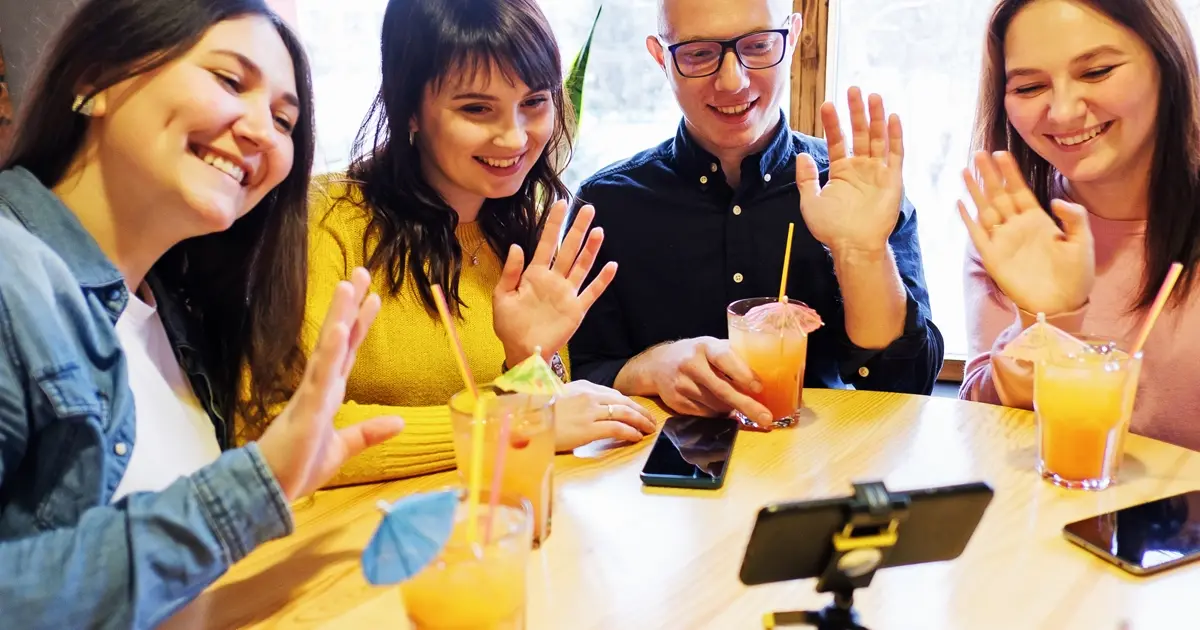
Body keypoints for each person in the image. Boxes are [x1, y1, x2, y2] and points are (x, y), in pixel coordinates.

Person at [0, 0, 403, 626]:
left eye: (283, 119)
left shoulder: (179, 309)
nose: (262, 132)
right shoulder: (11, 276)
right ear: (98, 77)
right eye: (228, 80)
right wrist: (251, 488)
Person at [295, 0, 656, 485]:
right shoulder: (326, 222)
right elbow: (283, 433)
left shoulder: (523, 233)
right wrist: (515, 424)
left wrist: (525, 360)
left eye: (534, 103)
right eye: (476, 108)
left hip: (495, 524)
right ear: (410, 109)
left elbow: (536, 413)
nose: (513, 138)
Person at [568, 0, 944, 426]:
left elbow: (909, 387)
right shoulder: (608, 203)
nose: (733, 80)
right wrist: (649, 367)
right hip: (660, 482)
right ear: (660, 57)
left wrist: (862, 254)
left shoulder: (855, 188)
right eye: (698, 54)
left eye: (759, 46)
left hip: (823, 473)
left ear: (794, 35)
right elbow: (572, 374)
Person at [958, 0, 1200, 451]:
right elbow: (986, 432)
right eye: (1030, 87)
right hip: (1057, 517)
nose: (1064, 112)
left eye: (1097, 72)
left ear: (1166, 61)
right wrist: (1046, 325)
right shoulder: (1015, 228)